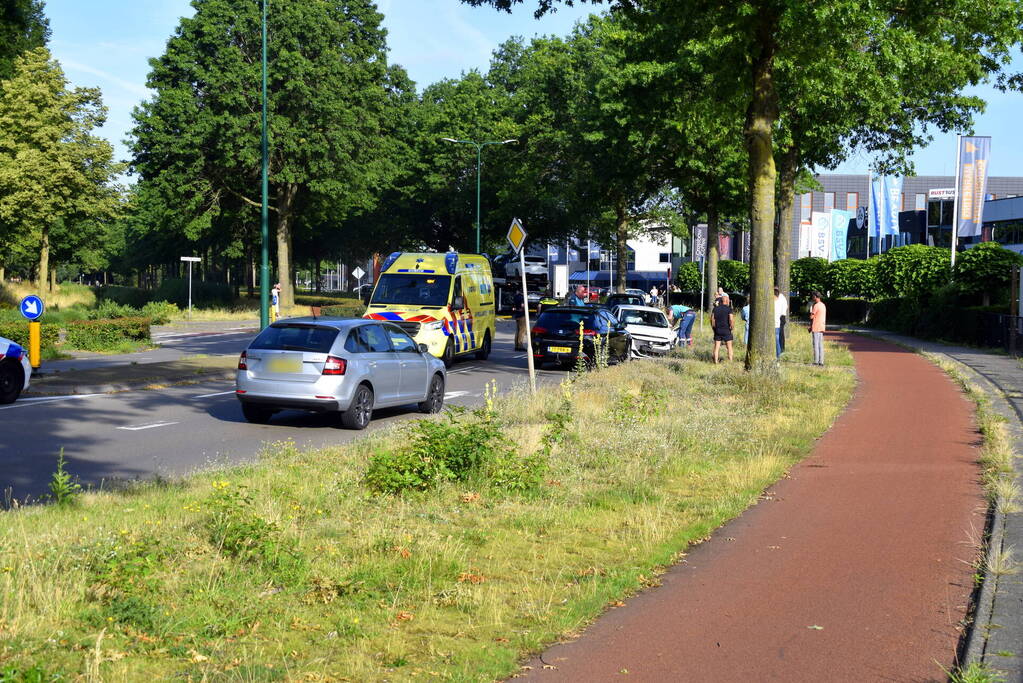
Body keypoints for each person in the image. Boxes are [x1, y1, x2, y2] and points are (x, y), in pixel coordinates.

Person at [711, 295, 734, 363]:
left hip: (717, 330)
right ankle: (730, 362)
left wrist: (714, 328)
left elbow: (712, 319)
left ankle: (715, 362)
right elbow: (731, 319)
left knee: (716, 347)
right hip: (727, 330)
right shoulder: (729, 309)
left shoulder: (715, 309)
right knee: (729, 347)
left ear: (721, 301)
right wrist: (732, 327)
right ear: (727, 301)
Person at [809, 291, 827, 366]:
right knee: (820, 345)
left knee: (815, 344)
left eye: (813, 297)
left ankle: (816, 361)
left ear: (815, 297)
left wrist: (810, 311)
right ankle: (821, 361)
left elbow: (811, 316)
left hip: (816, 326)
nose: (812, 298)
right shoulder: (823, 305)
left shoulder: (816, 306)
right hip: (821, 326)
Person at [775, 287, 788, 355]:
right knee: (780, 333)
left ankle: (781, 349)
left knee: (780, 334)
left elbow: (784, 307)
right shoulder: (782, 297)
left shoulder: (781, 297)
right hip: (781, 316)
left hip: (781, 316)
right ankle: (780, 349)